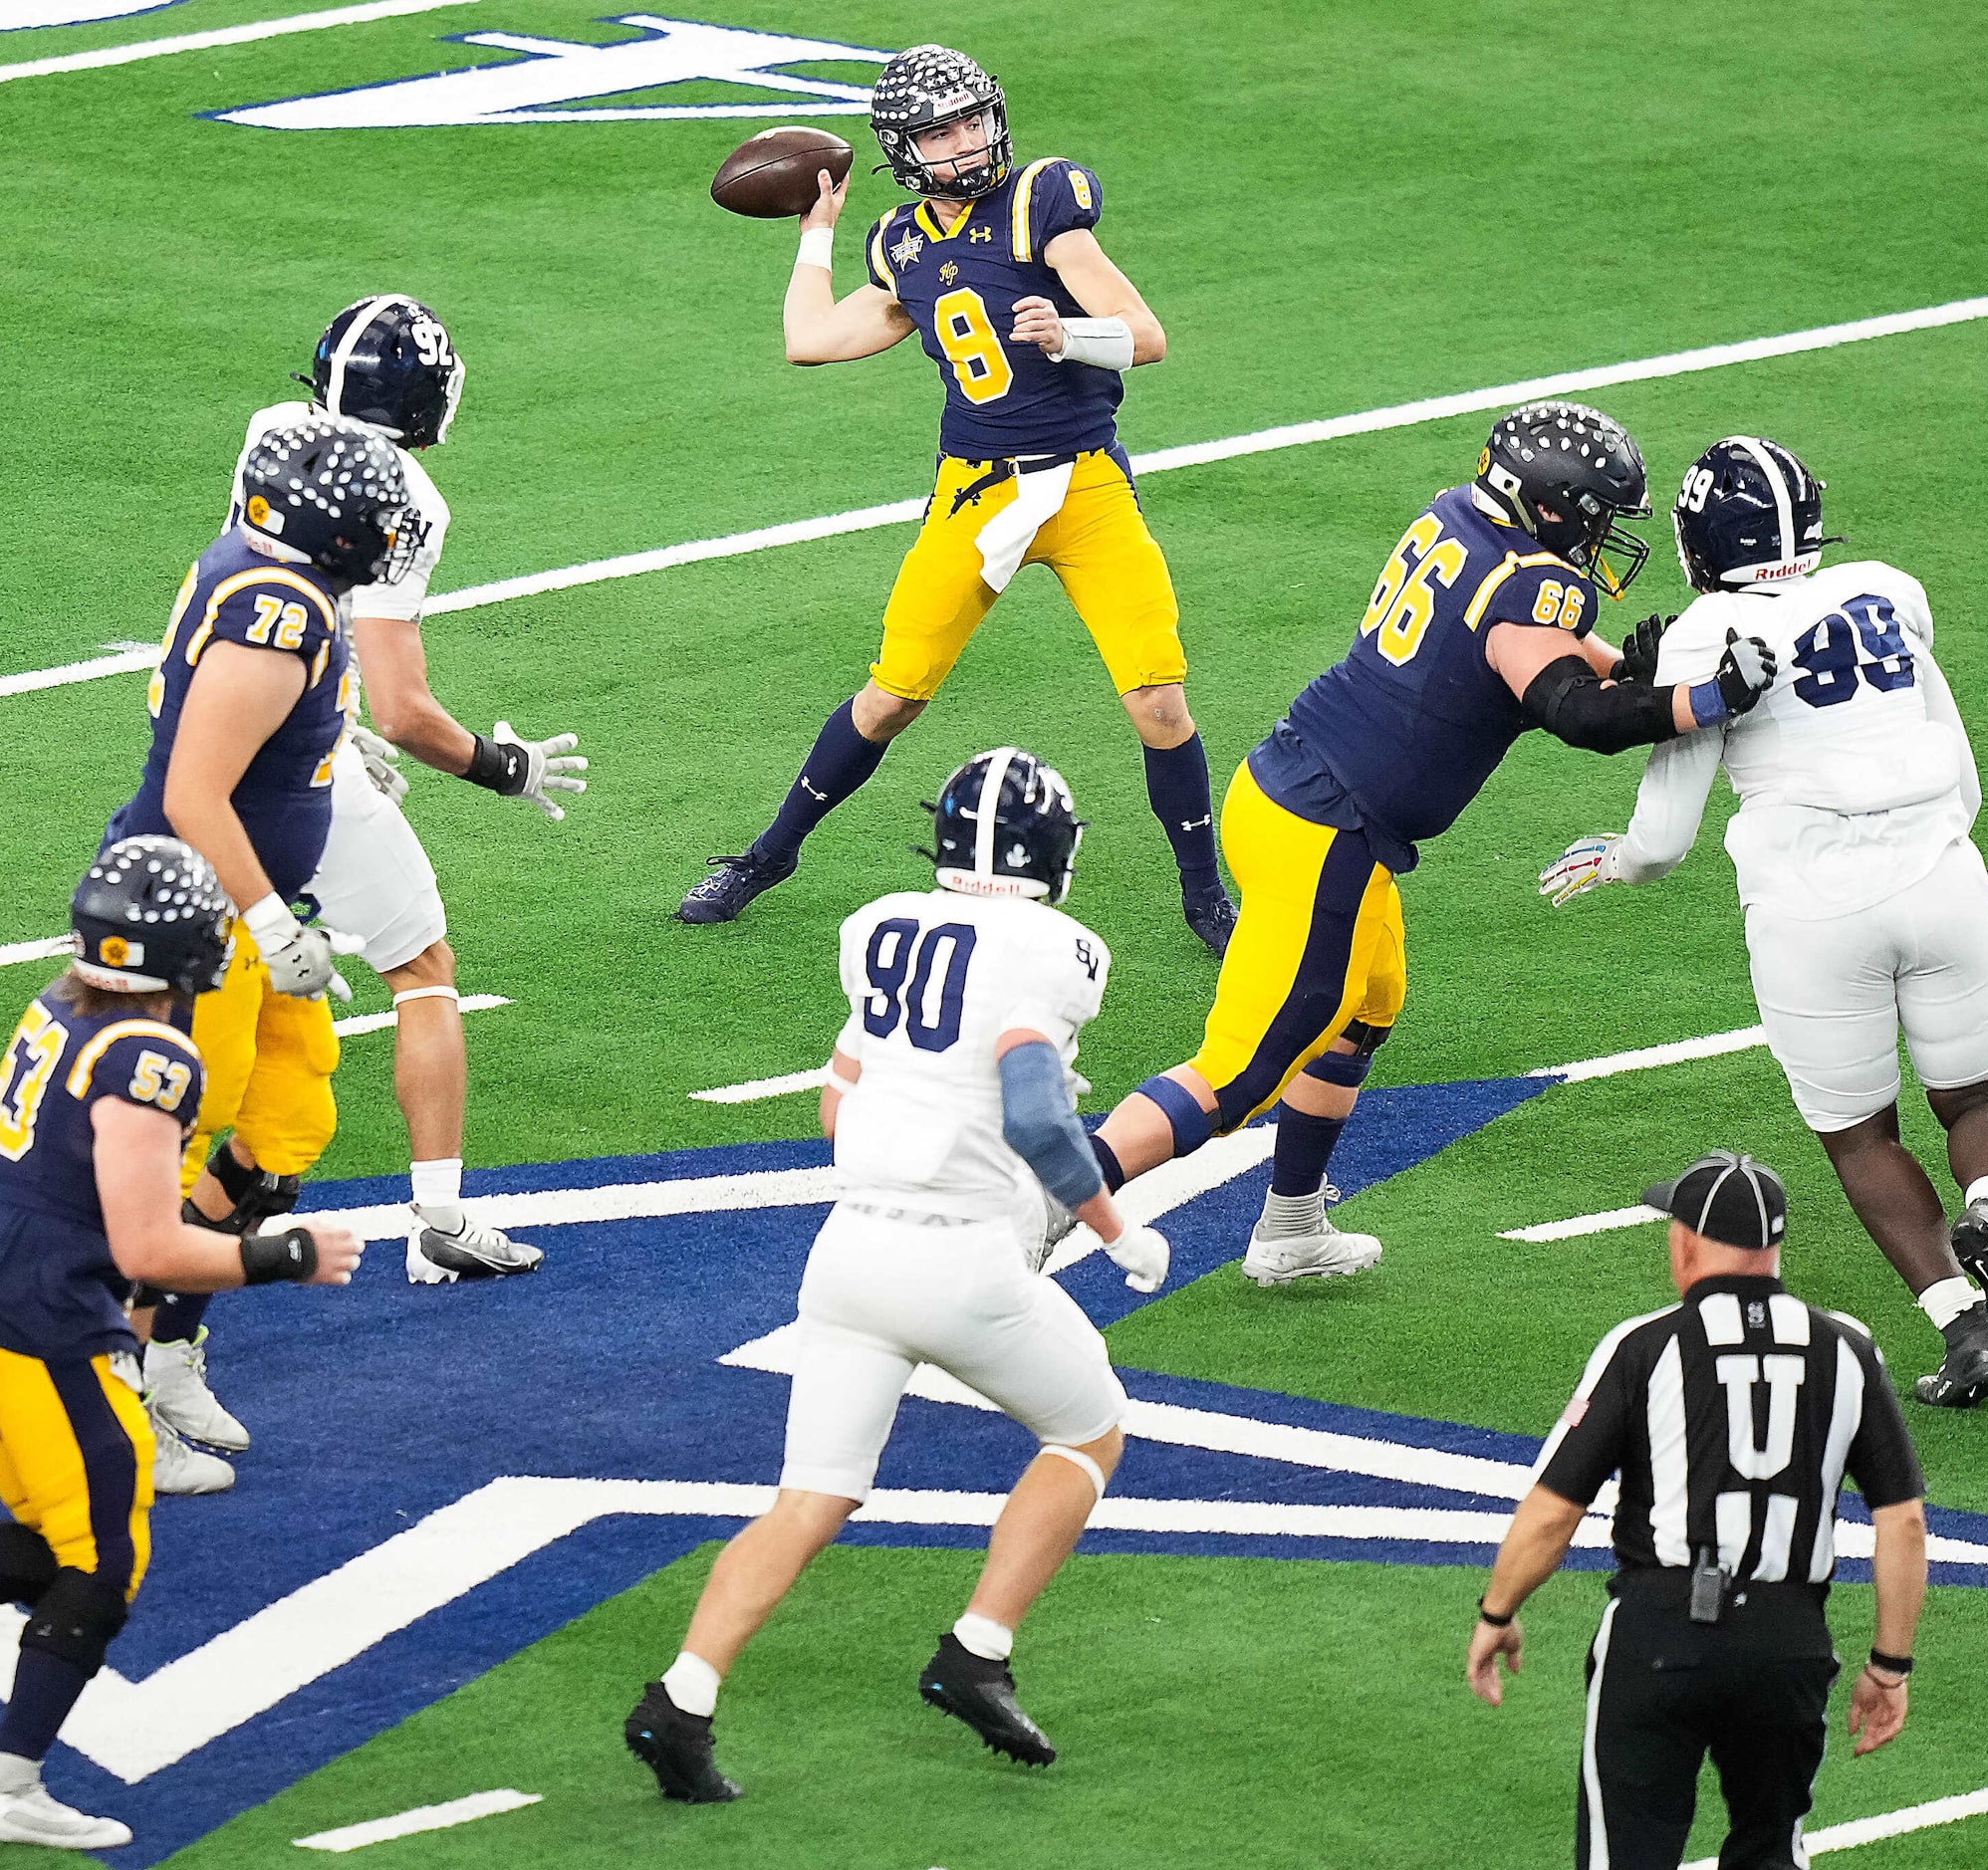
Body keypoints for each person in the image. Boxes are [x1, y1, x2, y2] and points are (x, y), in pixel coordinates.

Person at [1080, 402, 1780, 1285]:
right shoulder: (1534, 583)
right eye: (1598, 511)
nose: (1604, 533)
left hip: (1292, 793)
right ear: (1553, 505)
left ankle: (1290, 1225)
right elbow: (1572, 711)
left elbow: (1529, 645)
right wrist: (1702, 698)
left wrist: (1626, 668)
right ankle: (1046, 1196)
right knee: (1242, 1069)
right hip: (1324, 827)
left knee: (1364, 1009)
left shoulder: (1459, 513)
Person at [626, 748, 1171, 1801]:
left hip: (847, 1256)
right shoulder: (1053, 948)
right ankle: (976, 1650)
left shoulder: (879, 928)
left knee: (809, 1496)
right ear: (1051, 851)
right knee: (1087, 1431)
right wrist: (1113, 1226)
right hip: (959, 1253)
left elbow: (837, 1106)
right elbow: (1031, 1116)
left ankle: (682, 1700)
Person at [0, 838, 363, 1852]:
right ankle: (3, 1786)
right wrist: (287, 1252)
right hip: (41, 1321)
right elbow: (150, 1244)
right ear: (192, 952)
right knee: (107, 1557)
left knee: (74, 1539)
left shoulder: (55, 1008)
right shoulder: (152, 1055)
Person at [676, 45, 1238, 955]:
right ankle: (765, 856)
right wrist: (815, 231)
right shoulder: (899, 239)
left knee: (1158, 701)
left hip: (1085, 485)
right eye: (941, 130)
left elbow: (1146, 336)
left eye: (972, 119)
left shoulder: (1041, 202)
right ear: (906, 147)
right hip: (972, 493)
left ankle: (1205, 893)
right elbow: (809, 342)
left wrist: (1072, 334)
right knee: (890, 697)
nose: (966, 140)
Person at [1534, 436, 1988, 1408]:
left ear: (1699, 542)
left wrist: (1610, 861)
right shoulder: (1882, 591)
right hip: (1940, 876)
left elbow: (1660, 839)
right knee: (1982, 1092)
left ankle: (1961, 1330)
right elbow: (1959, 763)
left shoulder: (1704, 632)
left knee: (1859, 1135)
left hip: (1812, 910)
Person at [227, 295, 589, 1304]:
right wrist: (500, 766)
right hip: (292, 761)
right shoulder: (407, 498)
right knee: (420, 967)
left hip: (207, 725)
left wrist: (334, 717)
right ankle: (434, 1222)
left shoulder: (270, 430)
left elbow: (282, 608)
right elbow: (406, 709)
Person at [103, 415, 419, 1490]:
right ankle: (115, 1393)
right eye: (373, 523)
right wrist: (270, 923)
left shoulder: (262, 570)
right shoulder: (276, 615)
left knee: (291, 1118)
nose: (385, 539)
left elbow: (241, 726)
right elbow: (195, 787)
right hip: (198, 918)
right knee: (170, 1156)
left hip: (240, 906)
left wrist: (328, 734)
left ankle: (170, 1343)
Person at [1466, 1150, 1928, 1870]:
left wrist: (1497, 1612)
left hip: (1661, 1630)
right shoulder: (1847, 1349)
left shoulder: (1641, 1346)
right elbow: (1901, 1522)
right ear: (1773, 1248)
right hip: (1786, 1640)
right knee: (1771, 1853)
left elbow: (1554, 1510)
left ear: (1684, 1239)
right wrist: (1888, 1665)